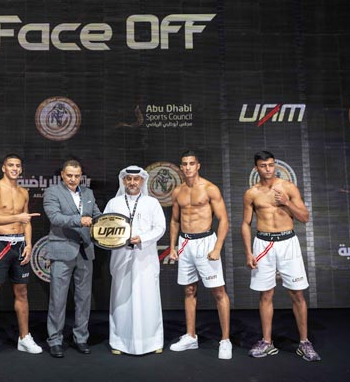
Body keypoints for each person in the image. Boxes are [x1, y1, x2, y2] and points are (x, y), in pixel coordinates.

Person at [242, 150, 321, 362]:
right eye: (263, 166)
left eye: (271, 164)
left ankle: (304, 342)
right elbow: (245, 224)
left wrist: (287, 202)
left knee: (297, 294)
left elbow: (304, 217)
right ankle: (267, 342)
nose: (268, 169)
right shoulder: (251, 193)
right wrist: (248, 252)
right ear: (256, 168)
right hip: (263, 244)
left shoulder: (288, 188)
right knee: (265, 294)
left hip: (287, 243)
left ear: (274, 165)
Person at [0, 154, 43, 363]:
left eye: (17, 166)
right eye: (11, 165)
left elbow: (27, 221)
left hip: (19, 244)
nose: (14, 168)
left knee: (22, 292)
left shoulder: (23, 192)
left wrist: (29, 245)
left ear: (21, 169)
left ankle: (24, 338)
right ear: (3, 168)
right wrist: (17, 217)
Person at [168, 150, 232, 360]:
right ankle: (191, 336)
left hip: (206, 242)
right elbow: (175, 221)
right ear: (181, 167)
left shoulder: (210, 189)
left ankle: (225, 340)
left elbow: (223, 220)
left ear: (198, 166)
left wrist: (217, 247)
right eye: (184, 164)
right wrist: (172, 247)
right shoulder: (178, 191)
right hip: (185, 243)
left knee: (218, 292)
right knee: (189, 290)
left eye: (191, 163)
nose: (188, 167)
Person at [42, 158, 102, 358]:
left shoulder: (88, 193)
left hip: (85, 251)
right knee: (58, 298)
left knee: (84, 299)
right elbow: (55, 217)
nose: (73, 179)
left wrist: (108, 223)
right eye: (69, 175)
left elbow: (96, 216)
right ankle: (55, 340)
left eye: (76, 176)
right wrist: (80, 220)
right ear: (62, 175)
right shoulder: (52, 192)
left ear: (81, 175)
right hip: (62, 251)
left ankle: (81, 338)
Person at [105, 165, 166, 355]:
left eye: (136, 179)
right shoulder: (113, 203)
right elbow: (104, 228)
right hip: (120, 257)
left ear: (142, 181)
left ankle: (152, 342)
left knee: (148, 298)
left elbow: (160, 228)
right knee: (121, 300)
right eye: (129, 179)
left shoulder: (152, 203)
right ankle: (119, 342)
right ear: (123, 181)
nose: (132, 182)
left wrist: (142, 239)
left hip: (145, 258)